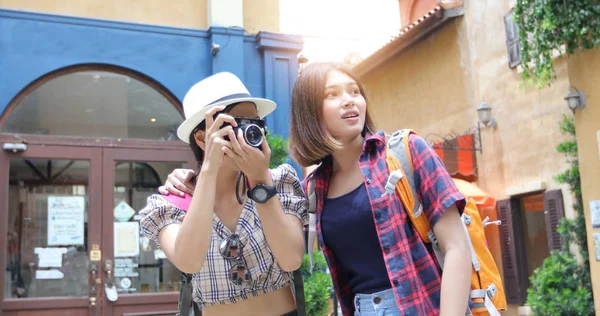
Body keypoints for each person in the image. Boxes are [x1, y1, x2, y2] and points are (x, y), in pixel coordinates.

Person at [161, 63, 472, 316]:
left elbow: (456, 247)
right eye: (333, 94)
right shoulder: (315, 187)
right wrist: (203, 176)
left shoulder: (405, 152)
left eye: (355, 91)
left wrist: (260, 180)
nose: (350, 100)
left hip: (424, 305)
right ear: (310, 112)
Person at [139, 72, 308, 316]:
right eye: (238, 122)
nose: (251, 131)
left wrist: (260, 181)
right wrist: (208, 170)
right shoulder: (172, 202)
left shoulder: (278, 181)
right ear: (202, 138)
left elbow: (291, 259)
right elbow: (188, 261)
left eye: (256, 122)